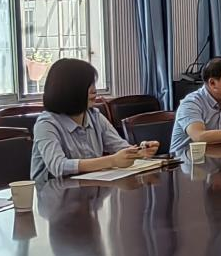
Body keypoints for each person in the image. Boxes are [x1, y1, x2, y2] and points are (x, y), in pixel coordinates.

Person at [30, 58, 158, 180]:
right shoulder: (46, 124)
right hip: (54, 192)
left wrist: (140, 151)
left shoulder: (95, 116)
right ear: (68, 90)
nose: (94, 90)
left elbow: (120, 147)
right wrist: (112, 160)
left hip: (89, 188)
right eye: (87, 85)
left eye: (93, 84)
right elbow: (58, 166)